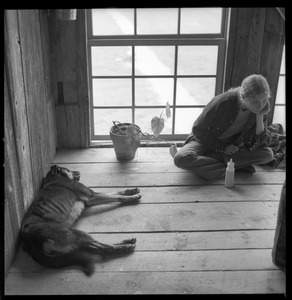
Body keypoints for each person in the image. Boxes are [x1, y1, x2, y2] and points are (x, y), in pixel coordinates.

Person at [172, 74, 274, 180]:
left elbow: (262, 143)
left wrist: (259, 116)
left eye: (264, 100)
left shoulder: (260, 109)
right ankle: (232, 168)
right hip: (204, 141)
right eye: (256, 101)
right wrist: (222, 148)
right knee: (181, 159)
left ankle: (213, 165)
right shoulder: (223, 101)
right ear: (244, 98)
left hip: (231, 146)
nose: (261, 105)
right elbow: (198, 130)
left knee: (267, 154)